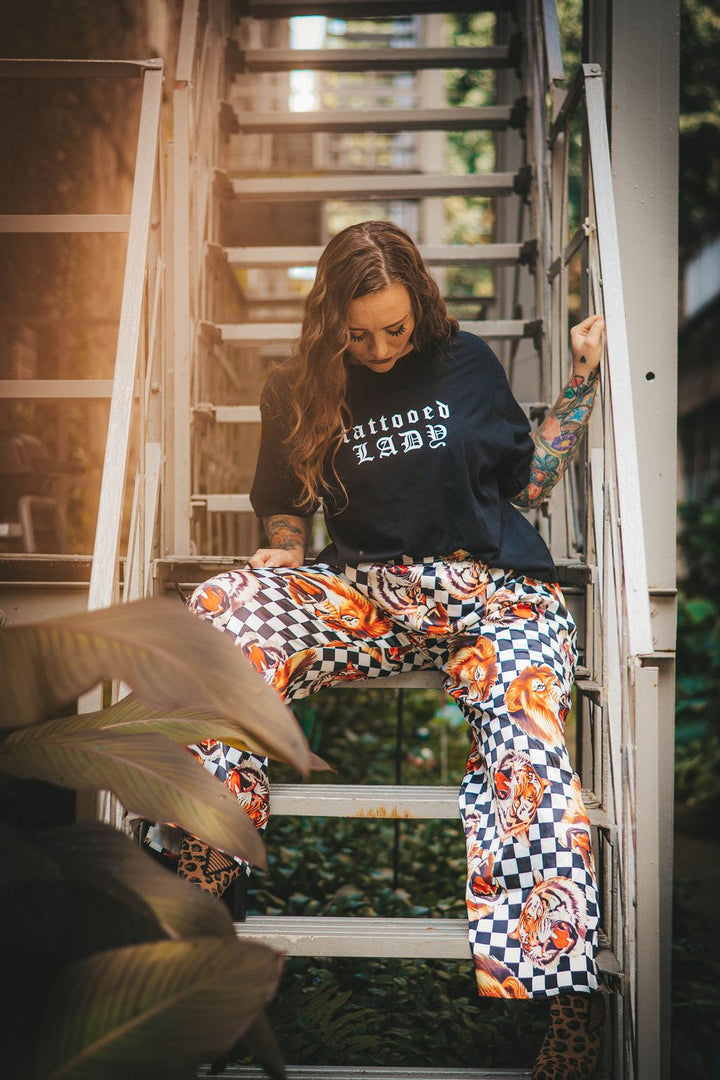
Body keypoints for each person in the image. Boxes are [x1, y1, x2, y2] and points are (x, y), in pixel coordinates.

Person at [167, 220, 606, 1080]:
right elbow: (287, 508)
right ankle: (210, 842)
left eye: (394, 330)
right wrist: (283, 552)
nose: (376, 349)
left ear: (422, 307)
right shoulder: (298, 384)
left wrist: (582, 378)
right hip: (368, 594)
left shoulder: (467, 362)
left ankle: (566, 1008)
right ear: (329, 317)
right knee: (224, 602)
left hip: (493, 602)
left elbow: (529, 483)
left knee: (531, 758)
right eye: (357, 333)